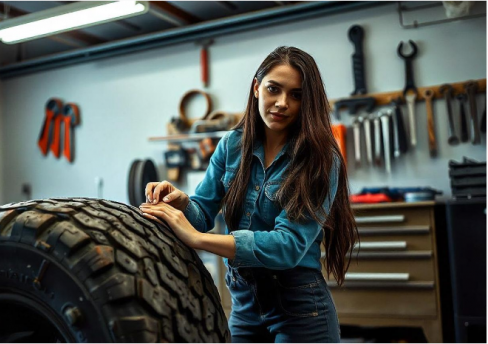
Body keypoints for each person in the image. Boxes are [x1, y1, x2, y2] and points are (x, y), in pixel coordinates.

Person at [140, 46, 357, 343]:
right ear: (257, 87)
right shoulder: (231, 145)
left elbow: (289, 246)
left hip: (301, 311)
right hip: (244, 306)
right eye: (273, 89)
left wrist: (198, 241)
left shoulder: (320, 159)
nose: (282, 103)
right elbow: (202, 214)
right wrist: (181, 203)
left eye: (296, 95)